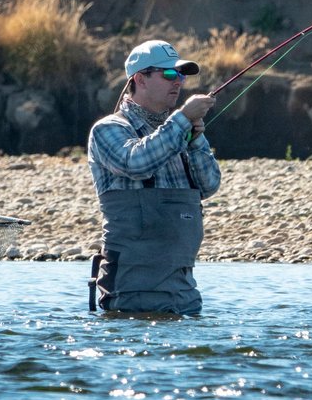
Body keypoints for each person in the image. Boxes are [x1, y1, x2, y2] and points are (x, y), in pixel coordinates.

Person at [87, 39, 221, 314]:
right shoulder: (108, 129)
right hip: (130, 293)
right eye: (169, 74)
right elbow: (136, 163)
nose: (179, 82)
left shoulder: (178, 131)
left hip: (184, 293)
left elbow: (209, 185)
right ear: (140, 79)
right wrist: (182, 120)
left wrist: (196, 140)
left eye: (181, 75)